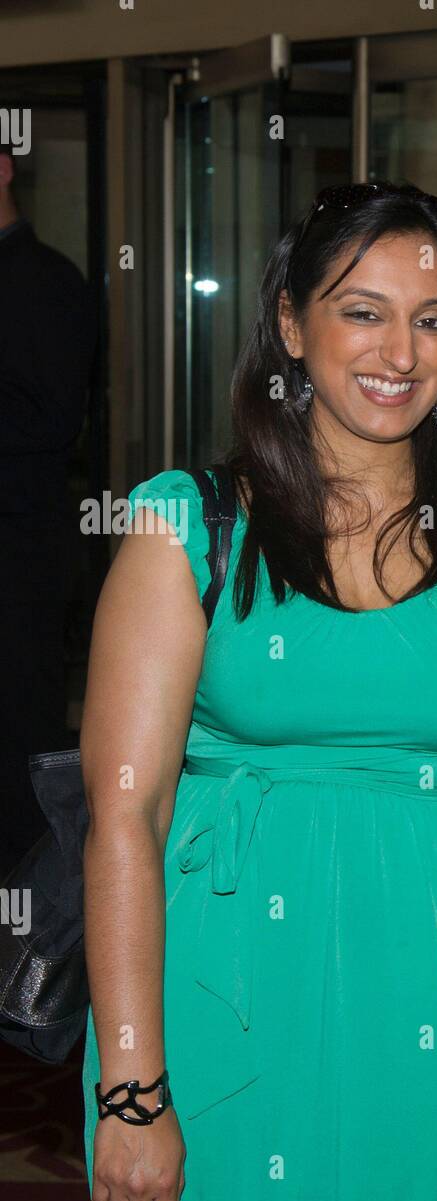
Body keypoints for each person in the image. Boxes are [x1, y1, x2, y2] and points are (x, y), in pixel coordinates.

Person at [80, 181, 437, 1201]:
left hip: (433, 1008)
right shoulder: (187, 528)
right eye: (362, 310)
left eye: (434, 316)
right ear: (293, 327)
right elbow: (126, 816)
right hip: (212, 1004)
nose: (400, 349)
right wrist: (130, 1082)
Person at [0, 138, 96, 878]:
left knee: (18, 749)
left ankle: (31, 944)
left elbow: (55, 419)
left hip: (18, 558)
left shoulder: (44, 282)